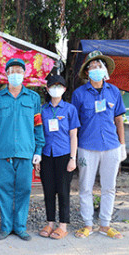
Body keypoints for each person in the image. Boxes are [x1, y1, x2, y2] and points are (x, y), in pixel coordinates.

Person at [0, 58, 45, 241]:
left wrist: (38, 150)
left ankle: (20, 227)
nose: (15, 74)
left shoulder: (33, 98)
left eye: (19, 71)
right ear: (6, 74)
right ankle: (5, 226)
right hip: (4, 152)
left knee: (24, 189)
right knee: (3, 189)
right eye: (11, 71)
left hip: (26, 152)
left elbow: (38, 126)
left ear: (24, 74)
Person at [72, 50, 126, 239]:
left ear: (105, 70)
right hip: (87, 147)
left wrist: (123, 145)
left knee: (109, 187)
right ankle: (88, 224)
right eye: (92, 66)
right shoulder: (79, 94)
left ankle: (105, 224)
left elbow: (119, 119)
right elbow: (74, 125)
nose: (96, 69)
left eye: (99, 66)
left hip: (111, 146)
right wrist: (74, 151)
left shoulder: (114, 92)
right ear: (87, 72)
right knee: (86, 187)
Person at [35, 75, 80, 240]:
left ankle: (63, 225)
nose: (56, 89)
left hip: (64, 155)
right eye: (52, 86)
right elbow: (38, 134)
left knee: (63, 190)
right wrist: (38, 157)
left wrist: (73, 158)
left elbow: (74, 136)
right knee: (48, 190)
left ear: (64, 89)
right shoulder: (42, 110)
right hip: (46, 155)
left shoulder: (70, 109)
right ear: (47, 89)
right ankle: (50, 223)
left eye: (59, 86)